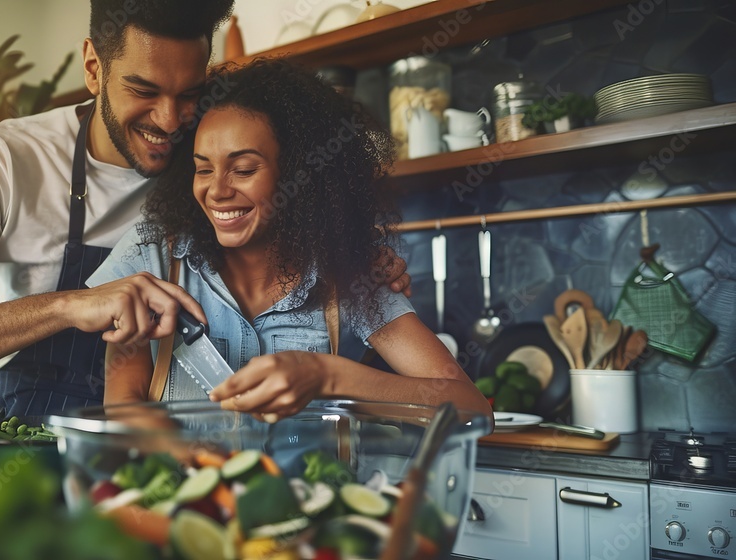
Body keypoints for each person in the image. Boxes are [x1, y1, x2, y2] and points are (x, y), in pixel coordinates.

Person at [0, 0, 411, 417]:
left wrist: (355, 254)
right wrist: (71, 304)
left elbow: (300, 203)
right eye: (143, 91)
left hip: (151, 427)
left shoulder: (211, 151)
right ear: (93, 68)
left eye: (189, 94)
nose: (170, 122)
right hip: (30, 424)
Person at [91, 58, 491, 421]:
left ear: (299, 176)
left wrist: (327, 376)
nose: (217, 191)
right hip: (184, 499)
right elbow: (124, 406)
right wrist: (202, 472)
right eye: (203, 169)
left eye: (243, 169)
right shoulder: (153, 255)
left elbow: (471, 410)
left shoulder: (350, 270)